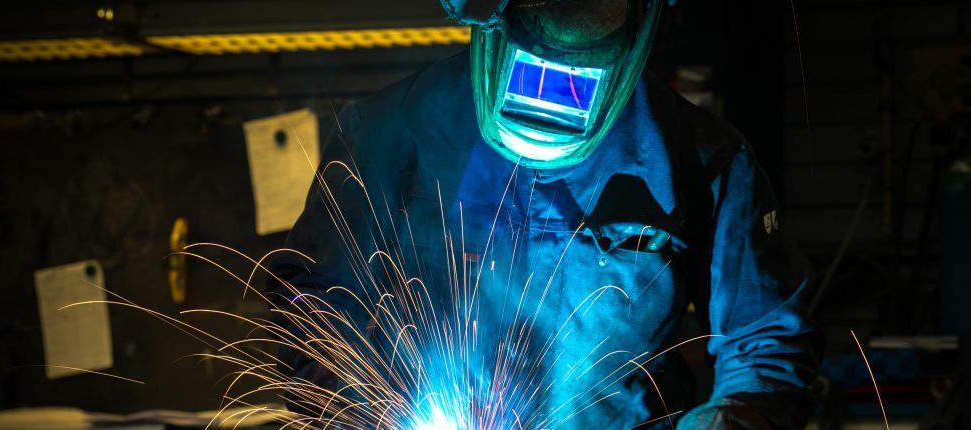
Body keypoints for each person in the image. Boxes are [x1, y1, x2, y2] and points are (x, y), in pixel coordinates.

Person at [268, 0, 823, 428]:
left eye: (579, 82)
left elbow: (766, 340)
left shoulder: (703, 158)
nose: (550, 101)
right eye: (530, 72)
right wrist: (352, 402)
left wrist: (735, 417)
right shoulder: (391, 132)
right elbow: (307, 297)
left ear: (627, 52)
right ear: (495, 32)